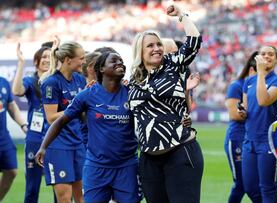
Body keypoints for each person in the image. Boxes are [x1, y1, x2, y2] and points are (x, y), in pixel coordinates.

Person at [35, 51, 142, 203]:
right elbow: (60, 121)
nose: (120, 63)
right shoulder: (88, 95)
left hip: (127, 166)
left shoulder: (133, 93)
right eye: (114, 61)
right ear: (102, 69)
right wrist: (44, 147)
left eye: (121, 60)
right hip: (96, 168)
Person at [128, 4, 203, 203]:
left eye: (158, 44)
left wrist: (181, 15)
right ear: (140, 51)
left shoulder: (173, 65)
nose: (156, 48)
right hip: (148, 159)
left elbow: (194, 41)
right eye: (150, 45)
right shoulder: (133, 79)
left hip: (180, 152)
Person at [39, 36, 86, 203]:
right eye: (81, 58)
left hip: (77, 143)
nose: (83, 62)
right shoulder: (51, 83)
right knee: (65, 199)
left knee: (82, 197)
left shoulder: (80, 79)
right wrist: (76, 107)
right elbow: (51, 118)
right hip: (58, 146)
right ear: (68, 60)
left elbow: (82, 112)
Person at [240, 46, 277, 203]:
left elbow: (263, 100)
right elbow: (246, 108)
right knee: (250, 187)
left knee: (268, 188)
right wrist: (243, 112)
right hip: (249, 140)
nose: (267, 56)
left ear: (276, 59)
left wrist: (260, 73)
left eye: (271, 54)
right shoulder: (248, 82)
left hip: (269, 142)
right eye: (263, 53)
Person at [12, 43, 52, 203]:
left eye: (51, 57)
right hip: (35, 138)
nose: (47, 60)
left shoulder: (58, 81)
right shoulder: (30, 80)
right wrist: (21, 63)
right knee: (32, 189)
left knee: (61, 188)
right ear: (36, 61)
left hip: (57, 138)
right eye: (44, 57)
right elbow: (16, 91)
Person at [224, 51, 257, 203]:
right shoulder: (237, 86)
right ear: (252, 69)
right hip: (237, 138)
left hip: (255, 139)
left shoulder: (268, 86)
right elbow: (234, 114)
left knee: (256, 184)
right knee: (242, 184)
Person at [0, 76, 28, 202]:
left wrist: (23, 125)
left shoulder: (3, 82)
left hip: (3, 137)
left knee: (12, 171)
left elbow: (11, 106)